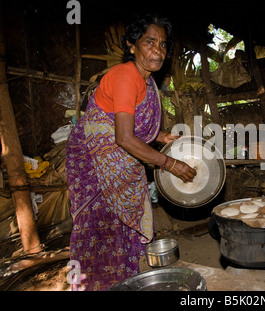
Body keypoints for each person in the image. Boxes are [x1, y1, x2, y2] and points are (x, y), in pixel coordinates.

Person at [65, 14, 196, 291]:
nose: (157, 50)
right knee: (100, 226)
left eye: (162, 45)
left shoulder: (147, 82)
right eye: (150, 42)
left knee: (119, 226)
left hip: (120, 154)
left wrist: (162, 137)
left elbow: (132, 124)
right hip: (96, 161)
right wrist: (170, 163)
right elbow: (124, 137)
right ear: (131, 45)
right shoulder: (126, 75)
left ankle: (123, 282)